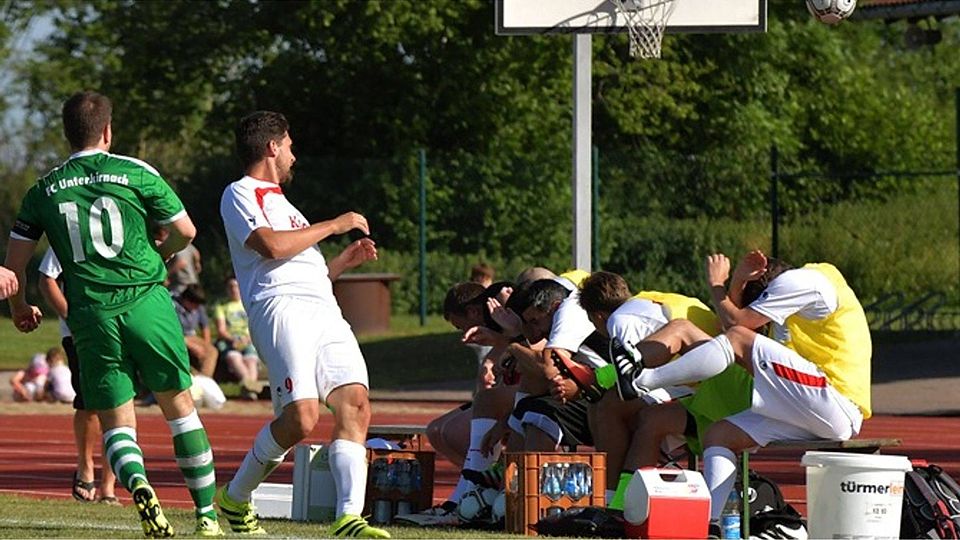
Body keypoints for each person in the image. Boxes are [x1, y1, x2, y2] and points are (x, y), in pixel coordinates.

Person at [4, 91, 221, 537]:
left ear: (67, 134)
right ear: (107, 131)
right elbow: (186, 231)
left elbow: (15, 264)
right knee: (180, 409)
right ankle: (206, 516)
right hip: (147, 301)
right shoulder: (136, 172)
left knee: (117, 419)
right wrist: (163, 253)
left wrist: (20, 306)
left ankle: (137, 482)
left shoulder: (43, 189)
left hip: (90, 314)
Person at [217, 110, 387, 538]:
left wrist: (342, 263)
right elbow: (272, 248)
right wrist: (335, 224)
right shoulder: (240, 193)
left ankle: (349, 517)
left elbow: (306, 271)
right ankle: (235, 498)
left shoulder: (285, 204)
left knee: (355, 402)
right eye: (290, 145)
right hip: (281, 310)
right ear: (272, 147)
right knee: (301, 419)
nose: (295, 154)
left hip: (324, 309)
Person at [613, 250, 870, 531]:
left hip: (832, 400)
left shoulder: (801, 280)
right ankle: (710, 526)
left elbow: (736, 327)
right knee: (719, 435)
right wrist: (734, 284)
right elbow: (736, 322)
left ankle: (641, 379)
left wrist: (719, 284)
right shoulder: (793, 307)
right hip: (807, 407)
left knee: (723, 336)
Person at [37, 247, 120, 505]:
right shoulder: (66, 227)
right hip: (81, 335)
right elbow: (46, 279)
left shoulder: (123, 227)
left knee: (118, 403)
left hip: (119, 327)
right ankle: (85, 468)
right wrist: (73, 319)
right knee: (90, 404)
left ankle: (109, 485)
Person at [213, 275, 262, 397]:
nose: (234, 289)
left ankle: (249, 389)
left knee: (250, 360)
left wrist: (248, 339)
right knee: (235, 358)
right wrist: (233, 339)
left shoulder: (249, 303)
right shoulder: (221, 306)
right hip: (229, 340)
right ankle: (252, 388)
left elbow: (256, 326)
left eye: (236, 286)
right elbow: (221, 330)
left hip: (248, 339)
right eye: (231, 287)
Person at [173, 284, 219, 378]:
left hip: (192, 336)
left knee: (212, 352)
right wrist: (192, 346)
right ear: (186, 300)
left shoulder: (198, 307)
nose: (196, 308)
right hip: (177, 338)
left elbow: (205, 326)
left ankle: (204, 381)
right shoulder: (172, 306)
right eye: (195, 304)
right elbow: (172, 332)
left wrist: (206, 344)